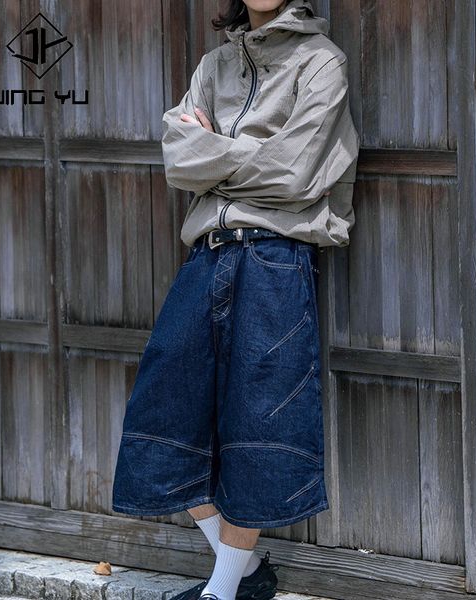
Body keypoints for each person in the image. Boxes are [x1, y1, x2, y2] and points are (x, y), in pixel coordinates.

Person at [111, 1, 360, 598]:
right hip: (208, 254)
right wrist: (241, 156)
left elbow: (296, 173)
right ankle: (245, 574)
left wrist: (213, 152)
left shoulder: (321, 62)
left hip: (276, 258)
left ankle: (221, 592)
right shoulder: (213, 66)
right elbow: (178, 158)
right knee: (163, 415)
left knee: (261, 421)